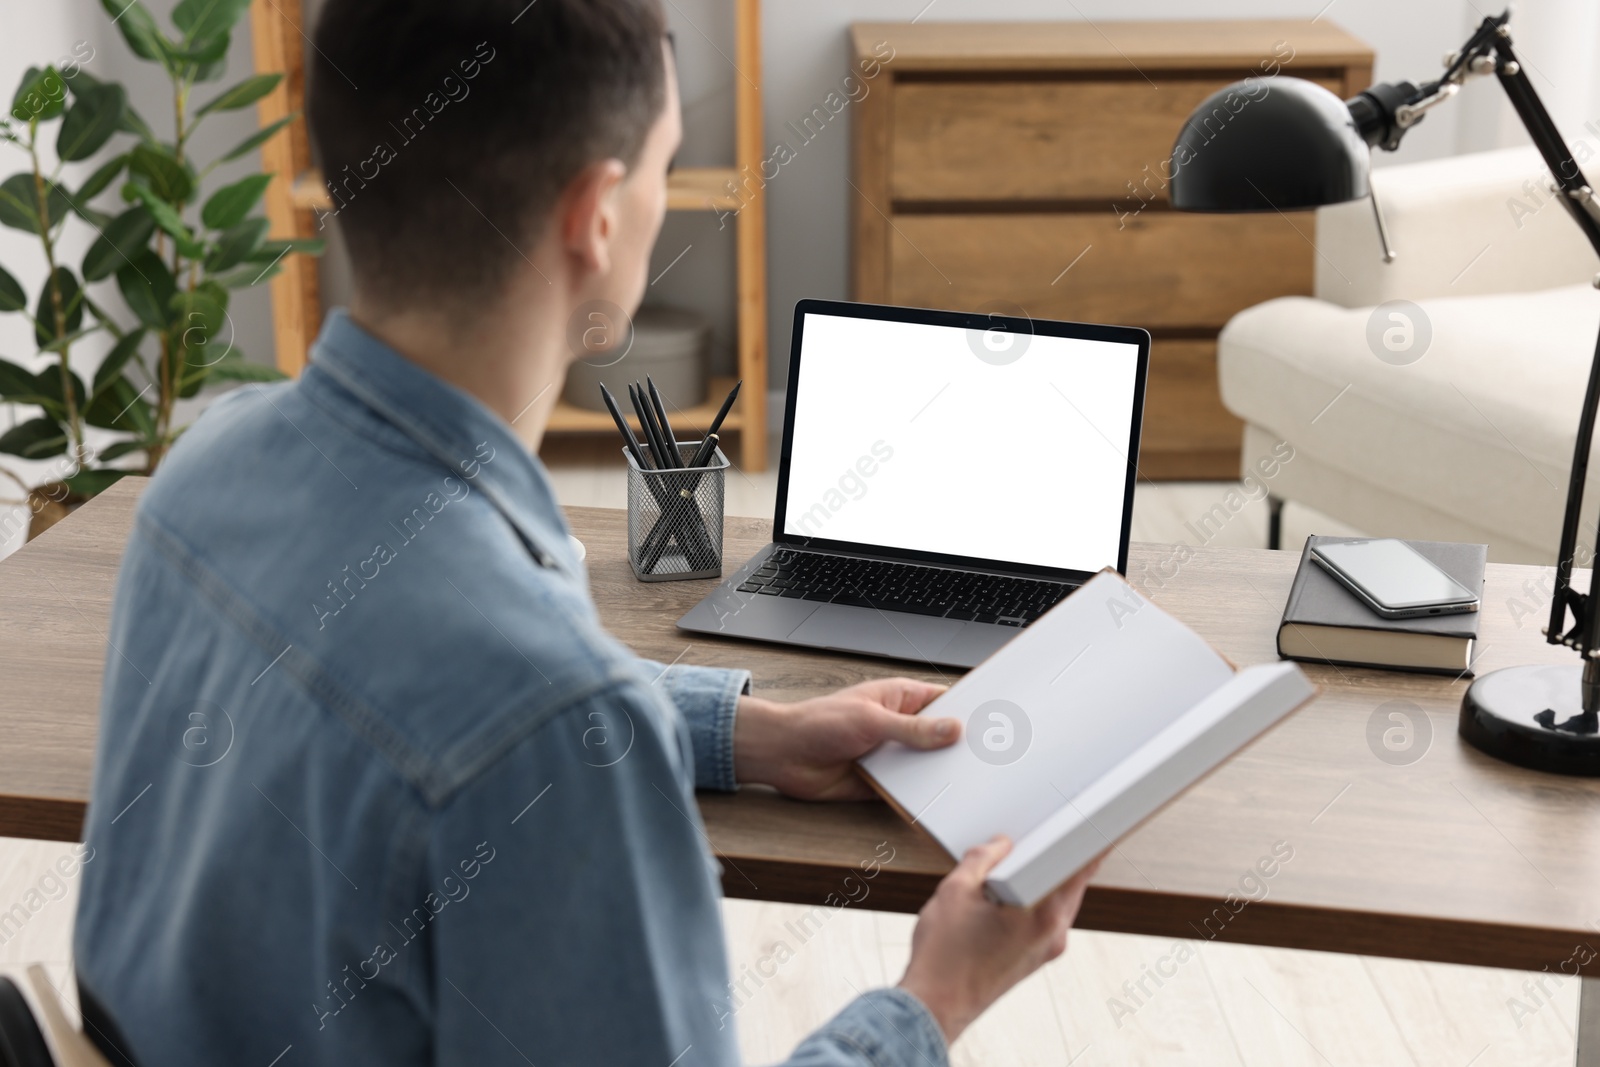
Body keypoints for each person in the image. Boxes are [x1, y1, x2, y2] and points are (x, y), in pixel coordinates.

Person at [72, 1, 1098, 1064]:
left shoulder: (198, 474)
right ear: (598, 215)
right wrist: (933, 998)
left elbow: (433, 696)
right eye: (662, 163)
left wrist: (746, 732)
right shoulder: (549, 723)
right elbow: (513, 716)